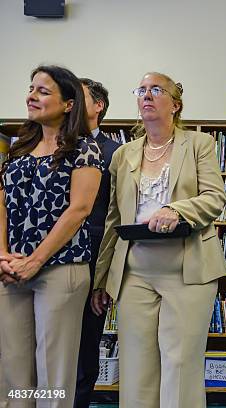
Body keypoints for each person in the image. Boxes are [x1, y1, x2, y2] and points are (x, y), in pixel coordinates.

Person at [91, 72, 226, 408]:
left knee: (179, 363)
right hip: (135, 271)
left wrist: (176, 210)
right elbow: (113, 218)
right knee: (137, 366)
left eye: (156, 90)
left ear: (175, 104)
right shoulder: (123, 154)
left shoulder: (199, 144)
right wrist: (102, 279)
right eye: (141, 90)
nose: (147, 95)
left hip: (187, 268)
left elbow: (214, 197)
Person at [0, 65, 102, 407]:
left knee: (52, 373)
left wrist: (36, 261)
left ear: (69, 104)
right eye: (31, 89)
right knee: (13, 372)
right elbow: (1, 204)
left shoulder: (84, 148)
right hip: (11, 270)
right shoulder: (17, 147)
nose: (32, 96)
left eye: (43, 91)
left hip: (60, 268)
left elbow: (79, 210)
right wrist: (3, 254)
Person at [74, 78, 120, 408]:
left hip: (93, 260)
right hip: (47, 262)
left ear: (98, 106)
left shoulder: (115, 153)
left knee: (86, 343)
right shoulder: (51, 146)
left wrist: (105, 276)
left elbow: (117, 213)